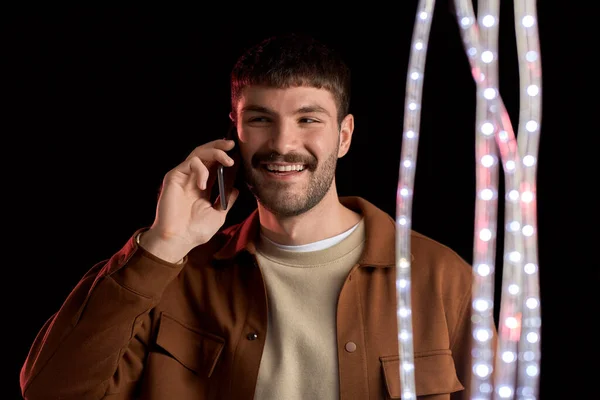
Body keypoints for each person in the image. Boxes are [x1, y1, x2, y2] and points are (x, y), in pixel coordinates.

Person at [20, 32, 485, 400]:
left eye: (309, 119)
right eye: (260, 119)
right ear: (233, 132)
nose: (283, 144)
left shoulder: (441, 278)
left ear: (344, 136)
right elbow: (52, 391)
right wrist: (162, 244)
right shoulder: (175, 275)